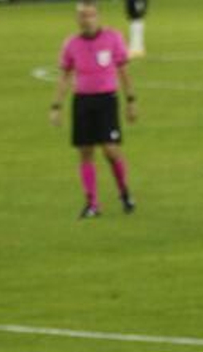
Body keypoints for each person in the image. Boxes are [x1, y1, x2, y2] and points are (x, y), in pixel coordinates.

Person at [50, 1, 138, 219]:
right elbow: (64, 76)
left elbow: (124, 71)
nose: (86, 20)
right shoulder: (71, 44)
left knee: (110, 150)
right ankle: (92, 203)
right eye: (82, 16)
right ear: (77, 19)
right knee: (85, 152)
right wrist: (56, 106)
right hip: (82, 102)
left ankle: (124, 192)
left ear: (98, 16)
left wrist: (131, 100)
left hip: (106, 101)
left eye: (90, 15)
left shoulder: (113, 38)